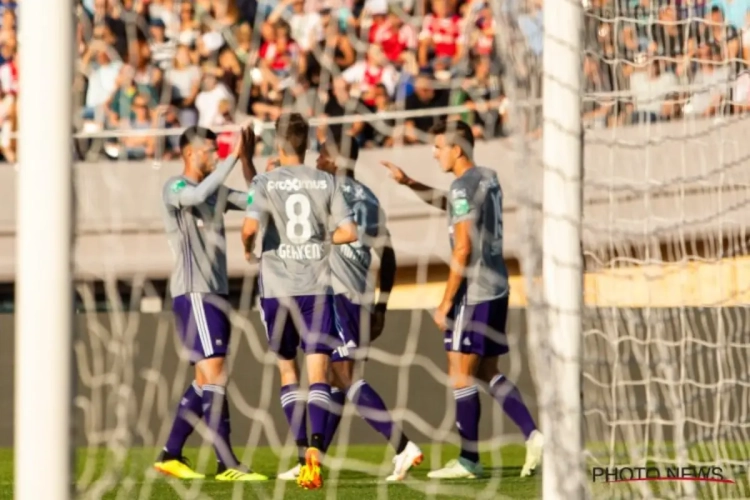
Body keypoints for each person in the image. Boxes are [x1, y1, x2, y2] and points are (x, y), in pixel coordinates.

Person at [380, 120, 544, 479]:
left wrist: (445, 303)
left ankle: (469, 459)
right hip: (498, 287)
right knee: (487, 371)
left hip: (473, 292)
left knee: (460, 374)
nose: (434, 152)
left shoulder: (461, 187)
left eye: (439, 146)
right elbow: (452, 205)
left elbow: (464, 247)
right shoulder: (488, 177)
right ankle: (533, 435)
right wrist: (411, 184)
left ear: (457, 149)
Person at [275, 133, 423, 482]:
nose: (316, 159)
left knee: (343, 376)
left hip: (334, 295)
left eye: (323, 155)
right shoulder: (370, 198)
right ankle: (314, 459)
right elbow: (387, 254)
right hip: (359, 298)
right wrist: (381, 306)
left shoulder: (324, 191)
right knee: (331, 379)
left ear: (338, 161)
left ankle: (403, 446)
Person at [241, 113, 359, 490]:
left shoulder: (262, 181)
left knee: (287, 373)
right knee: (319, 374)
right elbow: (349, 232)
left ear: (277, 145)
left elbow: (249, 229)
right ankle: (316, 452)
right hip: (316, 288)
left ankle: (297, 454)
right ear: (307, 145)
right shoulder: (326, 180)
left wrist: (249, 249)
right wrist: (320, 242)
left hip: (277, 290)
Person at [155, 125, 268, 482]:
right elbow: (197, 194)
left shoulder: (215, 190)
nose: (215, 155)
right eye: (209, 150)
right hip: (195, 291)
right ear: (189, 153)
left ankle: (171, 454)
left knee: (205, 380)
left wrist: (250, 164)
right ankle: (227, 463)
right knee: (217, 371)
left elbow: (255, 202)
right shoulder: (176, 187)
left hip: (215, 292)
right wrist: (233, 157)